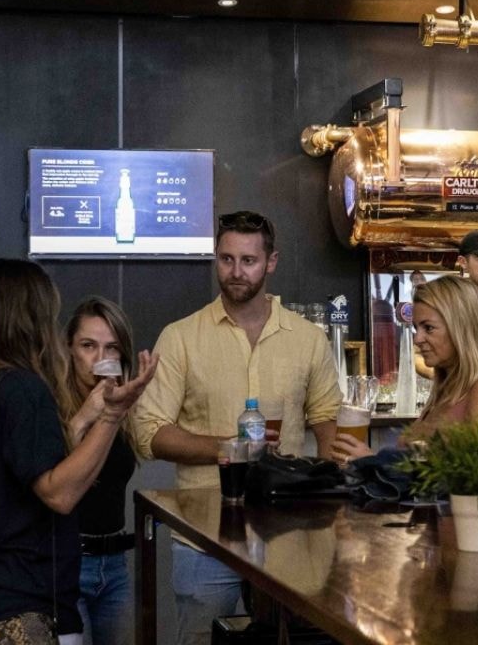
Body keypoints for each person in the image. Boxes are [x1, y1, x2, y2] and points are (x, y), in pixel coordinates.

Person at [132, 210, 341, 645]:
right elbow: (149, 432)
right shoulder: (182, 337)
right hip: (204, 540)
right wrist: (226, 448)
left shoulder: (307, 339)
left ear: (272, 262)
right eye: (226, 259)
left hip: (288, 537)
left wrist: (327, 499)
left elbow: (326, 420)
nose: (236, 272)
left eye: (248, 260)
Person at [0, 259, 156, 644]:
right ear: (32, 319)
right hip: (14, 609)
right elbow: (59, 493)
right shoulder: (26, 390)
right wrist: (111, 415)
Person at [332, 275, 478, 462]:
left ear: (462, 328)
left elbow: (475, 476)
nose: (417, 339)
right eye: (416, 328)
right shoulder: (446, 392)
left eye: (429, 328)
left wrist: (376, 462)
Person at [61, 296, 142, 645]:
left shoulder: (124, 409)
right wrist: (85, 417)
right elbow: (50, 477)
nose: (99, 359)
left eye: (111, 348)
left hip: (115, 564)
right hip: (67, 563)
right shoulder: (50, 401)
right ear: (69, 350)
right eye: (88, 346)